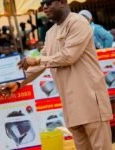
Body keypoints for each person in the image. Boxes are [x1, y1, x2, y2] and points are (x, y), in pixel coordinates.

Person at [7, 0, 113, 149]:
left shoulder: (78, 22)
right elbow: (42, 63)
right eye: (43, 3)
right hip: (71, 105)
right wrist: (19, 83)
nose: (44, 7)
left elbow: (69, 56)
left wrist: (37, 60)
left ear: (63, 2)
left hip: (90, 99)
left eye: (49, 2)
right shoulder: (51, 33)